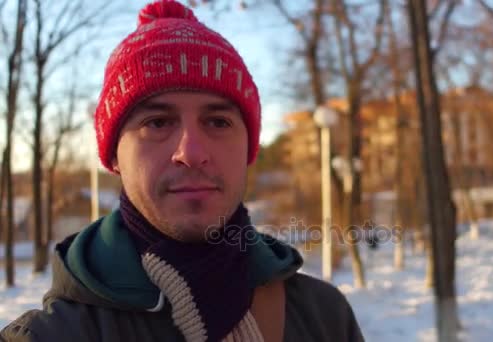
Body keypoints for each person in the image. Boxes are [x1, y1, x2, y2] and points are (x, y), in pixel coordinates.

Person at [0, 1, 363, 341]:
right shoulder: (56, 334)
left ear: (249, 149)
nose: (191, 152)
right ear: (113, 157)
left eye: (218, 121)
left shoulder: (325, 318)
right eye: (158, 122)